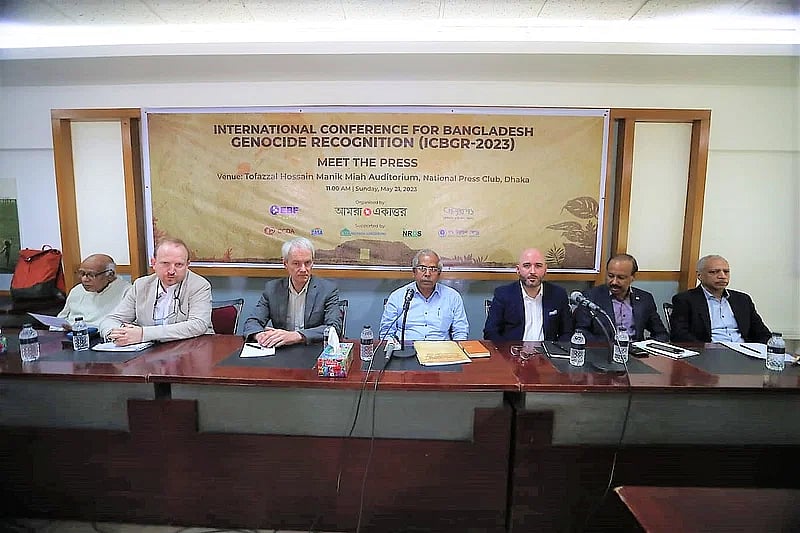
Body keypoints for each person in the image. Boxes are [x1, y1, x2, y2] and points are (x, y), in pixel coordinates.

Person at [100, 238, 213, 345]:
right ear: (154, 263)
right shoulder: (141, 285)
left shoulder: (199, 286)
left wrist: (143, 334)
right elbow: (112, 319)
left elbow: (198, 324)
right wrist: (115, 334)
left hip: (191, 349)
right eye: (165, 264)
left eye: (179, 265)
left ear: (187, 265)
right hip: (149, 353)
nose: (171, 271)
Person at [242, 237, 341, 347]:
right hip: (282, 350)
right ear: (285, 264)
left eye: (307, 263)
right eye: (296, 263)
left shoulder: (327, 289)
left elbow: (334, 328)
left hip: (312, 349)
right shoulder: (272, 289)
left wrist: (296, 336)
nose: (303, 269)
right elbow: (252, 322)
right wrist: (260, 335)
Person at [670, 254, 771, 343]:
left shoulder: (743, 299)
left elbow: (762, 333)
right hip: (709, 353)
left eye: (726, 272)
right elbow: (679, 335)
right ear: (699, 275)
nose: (722, 276)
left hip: (744, 351)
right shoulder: (685, 300)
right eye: (714, 272)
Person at [574, 253, 669, 342]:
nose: (614, 282)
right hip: (603, 352)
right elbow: (581, 332)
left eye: (621, 278)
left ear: (633, 277)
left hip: (636, 353)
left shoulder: (645, 299)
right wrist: (612, 347)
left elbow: (661, 334)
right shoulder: (590, 297)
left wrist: (645, 347)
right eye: (610, 276)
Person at [483, 248, 572, 342]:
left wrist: (557, 351)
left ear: (545, 270)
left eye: (538, 266)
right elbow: (490, 332)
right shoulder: (503, 294)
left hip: (547, 353)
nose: (532, 271)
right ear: (518, 270)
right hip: (513, 353)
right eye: (527, 266)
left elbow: (567, 332)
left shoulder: (558, 294)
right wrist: (507, 353)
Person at [380, 249, 469, 341]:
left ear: (439, 274)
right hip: (406, 349)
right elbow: (386, 333)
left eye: (433, 269)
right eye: (422, 268)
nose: (427, 274)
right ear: (414, 272)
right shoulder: (397, 297)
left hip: (441, 349)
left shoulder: (453, 297)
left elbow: (460, 332)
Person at [57, 253, 130, 329]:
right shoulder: (77, 290)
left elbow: (126, 326)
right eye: (82, 273)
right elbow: (62, 318)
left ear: (110, 275)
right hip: (69, 334)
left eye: (91, 275)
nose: (84, 279)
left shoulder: (127, 291)